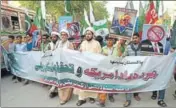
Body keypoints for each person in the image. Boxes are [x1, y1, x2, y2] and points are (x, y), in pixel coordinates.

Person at [74, 27, 101, 106]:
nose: (87, 35)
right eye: (86, 34)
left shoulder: (97, 43)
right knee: (82, 82)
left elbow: (99, 55)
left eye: (89, 34)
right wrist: (79, 51)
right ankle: (81, 99)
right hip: (83, 67)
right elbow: (80, 53)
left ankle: (92, 97)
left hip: (92, 67)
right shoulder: (83, 43)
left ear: (93, 35)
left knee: (91, 82)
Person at [97, 36, 126, 107]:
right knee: (103, 84)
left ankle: (110, 96)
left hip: (114, 69)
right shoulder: (103, 48)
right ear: (106, 41)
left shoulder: (117, 48)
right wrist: (103, 55)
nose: (109, 41)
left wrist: (119, 48)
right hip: (105, 69)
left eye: (111, 40)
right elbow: (99, 58)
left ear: (113, 41)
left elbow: (120, 57)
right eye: (108, 40)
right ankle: (102, 100)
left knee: (111, 84)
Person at [150, 37, 171, 107]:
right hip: (153, 66)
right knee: (154, 80)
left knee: (163, 81)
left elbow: (169, 54)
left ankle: (160, 99)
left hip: (163, 66)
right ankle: (154, 93)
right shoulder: (148, 43)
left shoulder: (167, 43)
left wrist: (172, 51)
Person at [123, 33, 142, 107]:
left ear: (139, 38)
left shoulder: (143, 47)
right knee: (129, 83)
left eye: (136, 38)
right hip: (130, 68)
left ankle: (136, 94)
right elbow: (124, 56)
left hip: (140, 68)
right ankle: (128, 100)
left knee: (137, 82)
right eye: (133, 38)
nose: (134, 39)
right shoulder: (128, 47)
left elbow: (147, 56)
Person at [57, 29, 74, 105]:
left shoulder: (69, 44)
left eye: (64, 35)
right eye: (62, 34)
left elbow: (73, 55)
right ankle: (61, 97)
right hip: (59, 66)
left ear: (67, 36)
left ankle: (65, 98)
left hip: (67, 66)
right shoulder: (58, 43)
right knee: (60, 81)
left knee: (67, 82)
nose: (63, 36)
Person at [48, 31, 60, 98]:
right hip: (52, 62)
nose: (53, 38)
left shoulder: (60, 43)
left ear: (57, 37)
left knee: (58, 76)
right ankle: (54, 91)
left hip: (60, 62)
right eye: (52, 37)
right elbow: (47, 51)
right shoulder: (50, 44)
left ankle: (55, 90)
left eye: (54, 37)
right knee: (54, 76)